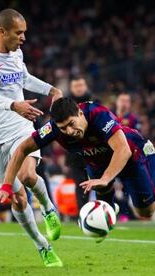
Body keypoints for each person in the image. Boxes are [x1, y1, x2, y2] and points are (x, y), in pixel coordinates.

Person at [0, 8, 62, 267]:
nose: (23, 38)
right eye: (19, 33)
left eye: (24, 33)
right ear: (2, 31)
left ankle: (48, 208)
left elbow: (24, 78)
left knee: (28, 175)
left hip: (20, 128)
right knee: (17, 198)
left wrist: (50, 89)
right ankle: (42, 245)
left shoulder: (17, 54)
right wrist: (13, 104)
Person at [0, 97, 155, 222]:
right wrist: (6, 185)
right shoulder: (53, 129)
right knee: (104, 214)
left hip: (131, 154)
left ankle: (150, 158)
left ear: (80, 113)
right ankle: (110, 211)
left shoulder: (98, 114)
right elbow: (22, 149)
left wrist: (106, 178)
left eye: (72, 124)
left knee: (146, 212)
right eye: (63, 128)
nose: (70, 131)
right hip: (96, 161)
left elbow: (122, 149)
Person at [67, 76, 93, 211]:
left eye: (81, 85)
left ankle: (106, 210)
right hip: (75, 152)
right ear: (71, 88)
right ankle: (83, 213)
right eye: (76, 86)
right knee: (81, 184)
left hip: (95, 149)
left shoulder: (94, 102)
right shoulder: (65, 105)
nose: (79, 88)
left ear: (86, 86)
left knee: (102, 182)